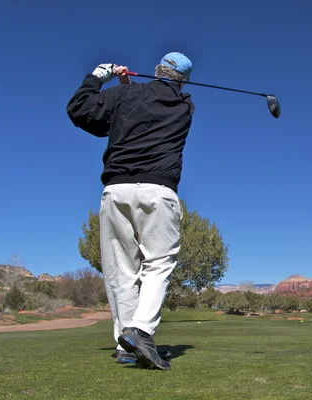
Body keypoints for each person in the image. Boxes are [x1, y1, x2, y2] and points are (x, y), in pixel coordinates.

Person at [66, 52, 195, 370]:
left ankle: (125, 345)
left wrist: (99, 76)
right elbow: (146, 106)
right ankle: (140, 331)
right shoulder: (184, 106)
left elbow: (81, 110)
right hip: (158, 191)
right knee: (158, 264)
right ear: (183, 81)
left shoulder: (126, 95)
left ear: (156, 71)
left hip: (116, 191)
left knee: (121, 271)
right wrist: (126, 87)